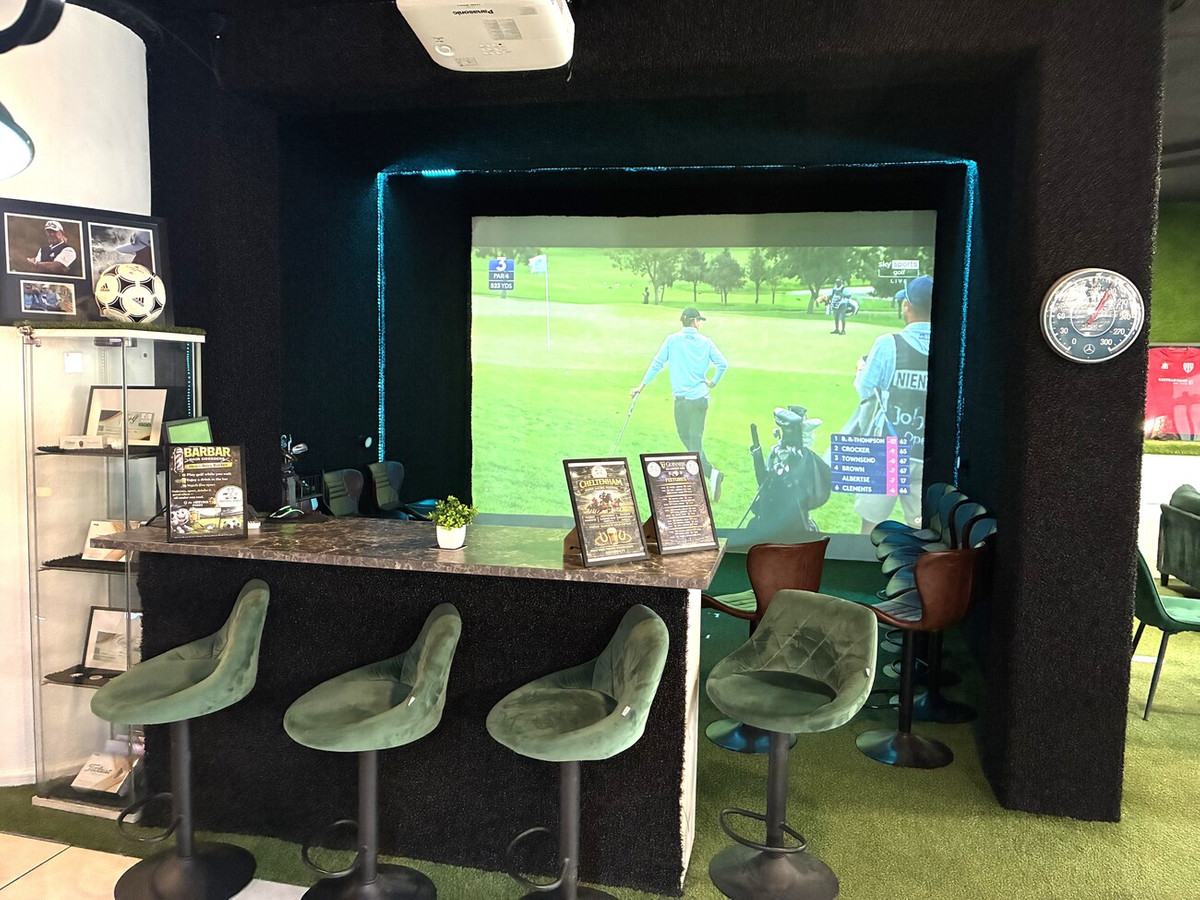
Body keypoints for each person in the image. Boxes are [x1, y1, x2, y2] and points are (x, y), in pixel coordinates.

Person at [853, 275, 932, 534]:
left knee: (871, 525)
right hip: (929, 450)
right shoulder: (950, 345)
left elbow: (865, 389)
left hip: (888, 449)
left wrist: (860, 370)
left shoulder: (888, 343)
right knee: (924, 530)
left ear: (908, 306)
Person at [631, 306, 729, 501]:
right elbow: (722, 364)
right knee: (692, 441)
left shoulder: (672, 340)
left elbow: (657, 363)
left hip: (683, 401)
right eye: (699, 320)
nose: (699, 324)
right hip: (700, 399)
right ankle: (712, 474)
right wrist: (712, 382)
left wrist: (641, 386)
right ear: (694, 321)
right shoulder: (706, 342)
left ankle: (699, 485)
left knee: (691, 441)